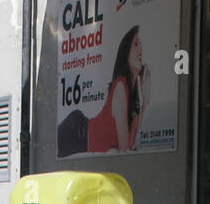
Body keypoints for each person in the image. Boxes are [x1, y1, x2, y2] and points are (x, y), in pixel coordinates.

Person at [57, 26, 152, 157]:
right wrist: (143, 104)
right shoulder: (121, 85)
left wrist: (145, 101)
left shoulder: (132, 92)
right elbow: (125, 148)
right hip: (78, 134)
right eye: (136, 44)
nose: (140, 49)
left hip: (82, 137)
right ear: (126, 53)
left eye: (140, 44)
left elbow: (131, 143)